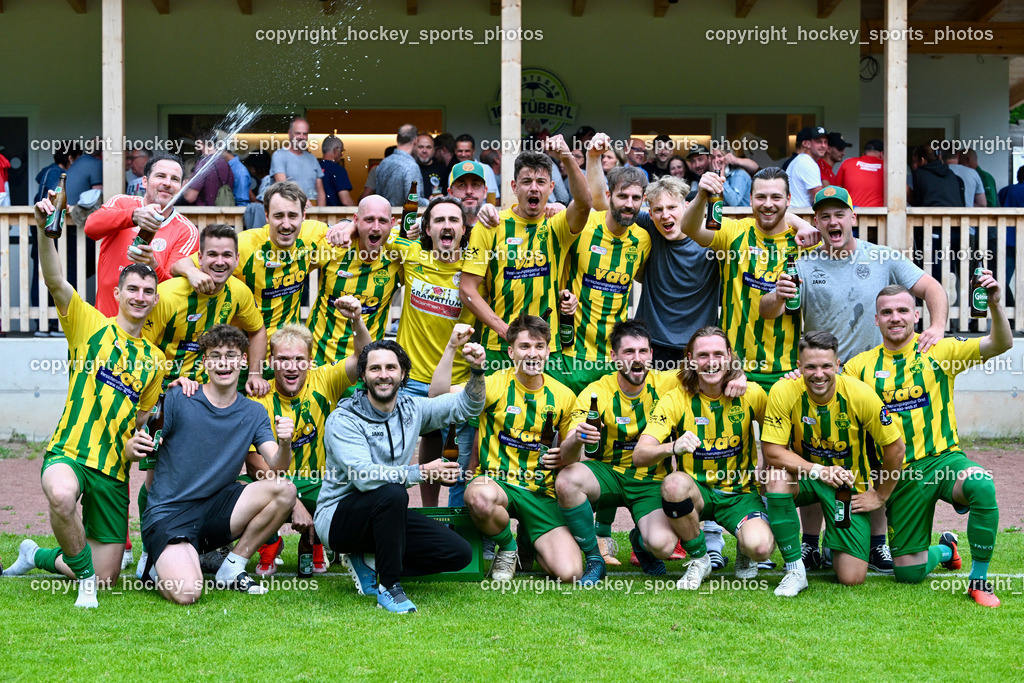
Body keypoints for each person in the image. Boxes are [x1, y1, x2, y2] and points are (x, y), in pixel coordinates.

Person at [760, 185, 948, 573]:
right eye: (825, 216)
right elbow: (767, 311)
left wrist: (940, 325)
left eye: (840, 214)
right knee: (814, 453)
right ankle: (810, 545)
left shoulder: (883, 257)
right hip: (819, 377)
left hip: (870, 379)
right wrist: (778, 295)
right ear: (817, 221)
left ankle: (877, 541)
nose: (833, 222)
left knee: (873, 457)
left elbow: (930, 288)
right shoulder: (804, 263)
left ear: (853, 217)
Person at [3, 194, 166, 608]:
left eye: (149, 291)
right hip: (71, 452)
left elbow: (140, 421)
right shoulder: (89, 323)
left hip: (112, 471)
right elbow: (55, 280)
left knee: (108, 573)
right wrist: (44, 230)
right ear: (119, 290)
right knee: (60, 496)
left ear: (154, 300)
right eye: (134, 288)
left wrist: (134, 446)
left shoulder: (156, 361)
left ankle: (36, 554)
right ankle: (85, 585)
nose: (141, 296)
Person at [842, 280, 1012, 606]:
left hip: (943, 461)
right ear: (876, 319)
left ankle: (979, 581)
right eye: (887, 312)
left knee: (981, 484)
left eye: (903, 310)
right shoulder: (858, 367)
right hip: (900, 476)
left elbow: (1000, 344)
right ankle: (947, 548)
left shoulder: (940, 351)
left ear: (916, 315)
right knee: (909, 572)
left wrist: (993, 303)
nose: (895, 317)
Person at [314, 339, 486, 614]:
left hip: (387, 514)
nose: (383, 374)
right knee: (392, 491)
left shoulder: (412, 409)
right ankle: (389, 587)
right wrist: (422, 472)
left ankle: (370, 563)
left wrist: (476, 371)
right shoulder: (343, 419)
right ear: (363, 375)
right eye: (375, 368)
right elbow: (364, 477)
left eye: (391, 367)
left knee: (458, 553)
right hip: (338, 518)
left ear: (403, 373)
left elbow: (467, 408)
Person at [133, 325, 298, 604]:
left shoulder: (254, 411)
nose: (224, 362)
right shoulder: (178, 398)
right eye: (216, 355)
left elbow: (278, 466)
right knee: (187, 593)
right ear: (205, 362)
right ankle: (154, 563)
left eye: (232, 355)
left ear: (244, 361)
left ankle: (231, 568)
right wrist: (161, 395)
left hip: (215, 510)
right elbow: (143, 434)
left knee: (285, 490)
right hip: (170, 514)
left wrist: (285, 443)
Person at [760, 331, 904, 597]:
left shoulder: (860, 394)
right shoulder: (783, 390)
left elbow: (896, 448)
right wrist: (820, 471)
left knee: (851, 577)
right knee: (775, 477)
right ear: (799, 366)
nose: (819, 374)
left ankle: (832, 544)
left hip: (847, 489)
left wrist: (880, 495)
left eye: (826, 366)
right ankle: (795, 569)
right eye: (811, 366)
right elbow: (772, 452)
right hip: (807, 477)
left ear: (838, 365)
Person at [634, 326, 774, 590]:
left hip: (740, 494)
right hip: (696, 492)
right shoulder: (675, 398)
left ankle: (746, 549)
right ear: (690, 359)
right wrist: (673, 446)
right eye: (703, 355)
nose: (711, 362)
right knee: (673, 484)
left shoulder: (753, 393)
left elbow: (777, 436)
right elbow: (640, 454)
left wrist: (766, 468)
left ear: (730, 356)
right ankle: (700, 558)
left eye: (718, 354)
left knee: (761, 548)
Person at [555, 321, 684, 585]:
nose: (637, 359)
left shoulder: (668, 382)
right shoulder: (597, 392)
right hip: (608, 475)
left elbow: (711, 370)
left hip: (650, 480)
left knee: (663, 546)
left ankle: (640, 541)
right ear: (614, 356)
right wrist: (577, 438)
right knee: (567, 480)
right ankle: (594, 558)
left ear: (651, 354)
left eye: (643, 351)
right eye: (629, 352)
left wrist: (738, 375)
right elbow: (567, 452)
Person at [460, 315, 582, 584]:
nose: (532, 353)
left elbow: (574, 457)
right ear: (511, 351)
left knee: (570, 573)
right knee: (479, 497)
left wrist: (568, 451)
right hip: (497, 483)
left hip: (540, 492)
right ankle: (508, 547)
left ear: (548, 351)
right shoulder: (492, 383)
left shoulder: (563, 395)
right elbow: (436, 395)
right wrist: (451, 349)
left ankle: (530, 538)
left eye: (539, 346)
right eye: (525, 346)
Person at [247, 310, 367, 578]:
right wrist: (291, 498)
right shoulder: (257, 398)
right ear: (271, 361)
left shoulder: (324, 380)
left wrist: (356, 320)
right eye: (284, 360)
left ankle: (315, 540)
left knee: (356, 494)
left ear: (310, 362)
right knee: (238, 491)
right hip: (273, 485)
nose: (292, 367)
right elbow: (254, 463)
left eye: (299, 359)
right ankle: (269, 542)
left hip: (319, 483)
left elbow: (362, 358)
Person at [459, 138, 592, 372]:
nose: (534, 188)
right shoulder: (491, 224)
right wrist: (505, 331)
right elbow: (467, 289)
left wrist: (567, 157)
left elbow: (583, 204)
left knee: (546, 408)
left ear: (551, 188)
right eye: (527, 181)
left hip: (546, 346)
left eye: (541, 182)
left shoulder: (557, 224)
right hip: (499, 347)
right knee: (496, 408)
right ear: (513, 186)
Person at [681, 166, 818, 389]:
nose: (768, 204)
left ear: (789, 199)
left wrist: (802, 223)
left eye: (776, 197)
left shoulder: (805, 241)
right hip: (735, 369)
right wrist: (702, 195)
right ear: (751, 199)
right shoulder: (734, 232)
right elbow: (689, 228)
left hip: (787, 371)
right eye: (761, 197)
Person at [388, 197, 477, 507]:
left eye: (454, 220)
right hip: (410, 379)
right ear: (426, 229)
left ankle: (454, 521)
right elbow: (372, 230)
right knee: (406, 447)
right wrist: (345, 226)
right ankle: (423, 513)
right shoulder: (411, 255)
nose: (447, 225)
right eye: (439, 220)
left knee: (455, 452)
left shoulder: (475, 270)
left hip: (456, 380)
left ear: (465, 229)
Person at [175, 181, 329, 339]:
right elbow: (179, 264)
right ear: (267, 216)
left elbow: (347, 229)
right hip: (245, 346)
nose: (286, 224)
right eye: (278, 216)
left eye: (292, 215)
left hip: (286, 349)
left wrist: (347, 227)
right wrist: (192, 271)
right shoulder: (245, 244)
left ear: (303, 215)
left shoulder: (313, 235)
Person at [552, 164, 651, 393]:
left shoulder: (643, 240)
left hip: (613, 359)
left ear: (643, 200)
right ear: (608, 196)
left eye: (636, 198)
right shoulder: (583, 224)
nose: (629, 204)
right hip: (570, 354)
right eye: (622, 196)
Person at [84, 153, 200, 316]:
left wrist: (153, 266)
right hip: (105, 323)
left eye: (174, 179)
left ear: (180, 187)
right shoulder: (122, 203)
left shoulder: (186, 231)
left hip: (148, 334)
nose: (167, 183)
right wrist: (132, 216)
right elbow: (91, 228)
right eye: (160, 176)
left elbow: (174, 292)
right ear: (144, 181)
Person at [306, 195, 402, 368]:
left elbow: (429, 225)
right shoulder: (334, 245)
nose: (376, 227)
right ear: (356, 220)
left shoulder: (398, 253)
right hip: (317, 358)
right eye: (369, 220)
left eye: (382, 220)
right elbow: (293, 265)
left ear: (392, 223)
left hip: (366, 363)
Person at [270, 117, 326, 206]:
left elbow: (320, 190)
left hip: (312, 212)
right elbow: (283, 185)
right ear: (289, 133)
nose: (301, 137)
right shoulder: (279, 156)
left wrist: (321, 212)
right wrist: (302, 200)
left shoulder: (312, 159)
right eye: (298, 133)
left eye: (305, 134)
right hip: (289, 212)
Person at [374, 124, 427, 207]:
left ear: (397, 139)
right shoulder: (411, 166)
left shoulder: (383, 163)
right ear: (415, 140)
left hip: (384, 215)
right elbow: (413, 200)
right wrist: (431, 202)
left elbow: (378, 195)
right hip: (404, 217)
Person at [833, 139, 884, 208]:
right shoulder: (887, 167)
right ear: (881, 154)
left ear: (864, 153)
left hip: (852, 214)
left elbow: (836, 190)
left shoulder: (848, 162)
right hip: (878, 216)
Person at [787, 126, 828, 208]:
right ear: (808, 144)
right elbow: (820, 197)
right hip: (799, 214)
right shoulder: (807, 162)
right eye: (818, 142)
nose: (823, 145)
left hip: (795, 212)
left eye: (825, 142)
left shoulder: (801, 159)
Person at [454, 134, 500, 200]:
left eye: (467, 151)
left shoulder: (485, 169)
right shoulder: (453, 172)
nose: (463, 154)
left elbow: (495, 199)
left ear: (474, 151)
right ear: (455, 151)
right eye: (460, 151)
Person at [319, 135, 354, 207]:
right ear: (335, 150)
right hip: (334, 215)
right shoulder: (338, 170)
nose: (341, 154)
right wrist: (357, 211)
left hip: (314, 214)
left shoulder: (314, 168)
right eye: (341, 151)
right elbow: (345, 201)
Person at [414, 134, 448, 200]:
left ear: (434, 150)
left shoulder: (442, 170)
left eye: (428, 147)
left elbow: (447, 195)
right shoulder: (409, 169)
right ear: (414, 148)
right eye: (421, 147)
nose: (424, 151)